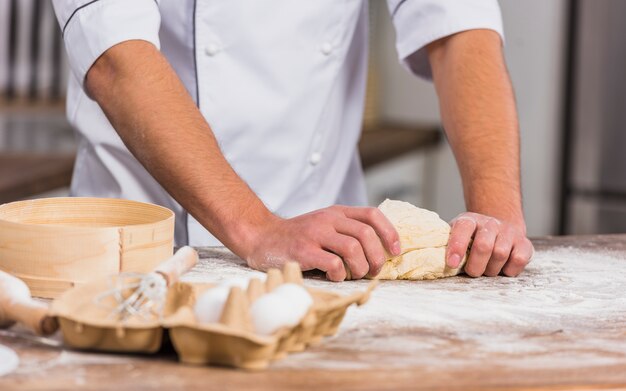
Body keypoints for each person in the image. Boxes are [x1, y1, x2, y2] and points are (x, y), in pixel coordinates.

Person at [51, 0, 534, 281]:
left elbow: (457, 29)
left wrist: (497, 218)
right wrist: (257, 228)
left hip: (328, 259)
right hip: (139, 245)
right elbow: (115, 56)